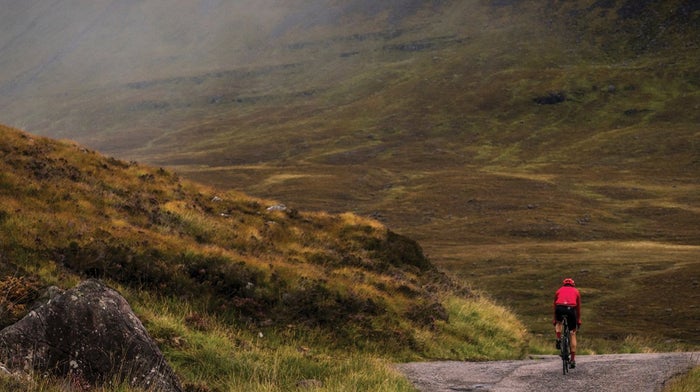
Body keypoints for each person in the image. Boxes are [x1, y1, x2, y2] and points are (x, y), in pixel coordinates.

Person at [553, 278, 581, 368]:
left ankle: (558, 338)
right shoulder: (576, 291)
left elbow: (555, 305)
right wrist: (578, 320)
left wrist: (555, 319)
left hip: (559, 308)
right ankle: (572, 360)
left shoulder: (559, 290)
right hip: (571, 309)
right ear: (573, 284)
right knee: (572, 333)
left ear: (564, 284)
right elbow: (578, 308)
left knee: (559, 323)